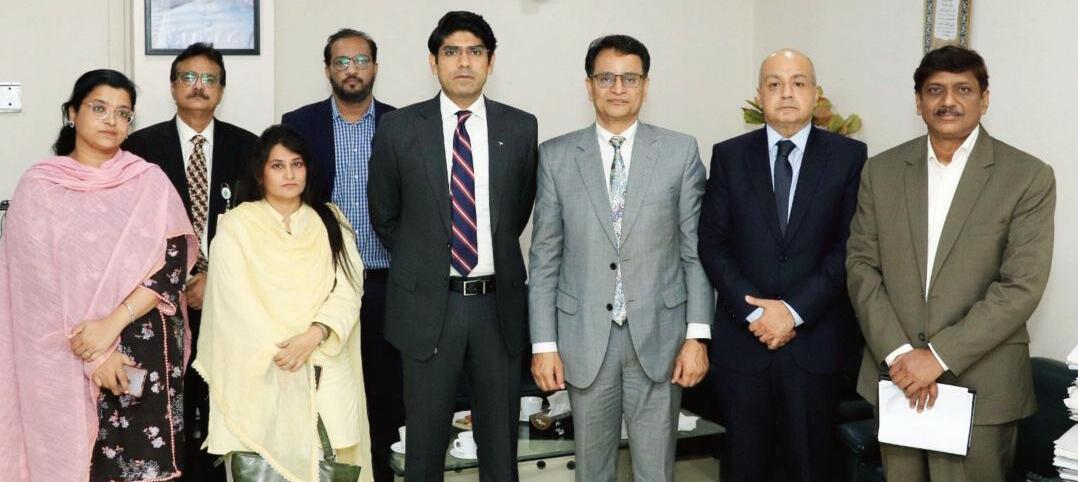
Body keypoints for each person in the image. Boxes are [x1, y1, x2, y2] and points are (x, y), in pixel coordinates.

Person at [847, 45, 1055, 481]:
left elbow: (1021, 286)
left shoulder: (1027, 176)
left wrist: (938, 357)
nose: (948, 101)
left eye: (963, 89)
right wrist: (901, 356)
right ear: (918, 101)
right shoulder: (881, 171)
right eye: (935, 90)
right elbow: (862, 267)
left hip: (983, 386)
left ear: (984, 99)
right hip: (897, 379)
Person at [528, 34, 712, 481]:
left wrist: (697, 336)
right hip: (584, 339)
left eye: (630, 78)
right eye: (606, 78)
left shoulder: (680, 151)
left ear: (645, 86)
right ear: (588, 85)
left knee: (656, 472)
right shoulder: (555, 156)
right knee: (593, 471)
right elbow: (545, 258)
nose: (618, 88)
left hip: (662, 336)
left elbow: (694, 252)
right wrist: (544, 345)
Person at [0, 69, 197, 481]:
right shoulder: (40, 186)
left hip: (142, 350)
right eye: (99, 108)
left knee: (145, 469)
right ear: (72, 113)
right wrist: (97, 353)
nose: (112, 120)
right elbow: (34, 288)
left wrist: (113, 325)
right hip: (66, 354)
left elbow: (174, 262)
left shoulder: (148, 181)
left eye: (124, 113)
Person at [368, 11, 538, 482]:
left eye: (475, 52)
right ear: (433, 61)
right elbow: (384, 213)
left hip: (497, 308)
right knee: (423, 450)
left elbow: (517, 211)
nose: (464, 62)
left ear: (490, 62)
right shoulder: (399, 128)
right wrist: (425, 261)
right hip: (427, 306)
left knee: (500, 450)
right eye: (452, 52)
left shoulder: (521, 128)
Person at [697, 49, 867, 481]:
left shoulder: (849, 157)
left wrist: (792, 311)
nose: (786, 93)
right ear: (759, 95)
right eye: (774, 84)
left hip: (815, 345)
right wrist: (756, 312)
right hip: (743, 345)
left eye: (797, 83)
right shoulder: (729, 156)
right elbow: (713, 243)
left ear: (815, 93)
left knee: (812, 469)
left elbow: (850, 245)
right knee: (743, 469)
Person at [193, 124, 373, 482]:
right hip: (264, 375)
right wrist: (287, 351)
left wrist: (314, 334)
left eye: (297, 164)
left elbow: (349, 290)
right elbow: (234, 305)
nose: (289, 174)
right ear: (260, 173)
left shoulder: (331, 221)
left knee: (331, 465)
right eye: (278, 166)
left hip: (324, 365)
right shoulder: (236, 226)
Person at [123, 41, 257, 479]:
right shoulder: (140, 147)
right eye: (189, 77)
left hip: (227, 300)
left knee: (222, 404)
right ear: (172, 86)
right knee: (167, 405)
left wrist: (214, 278)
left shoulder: (249, 148)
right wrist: (178, 282)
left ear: (221, 89)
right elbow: (130, 231)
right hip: (159, 302)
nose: (199, 86)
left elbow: (257, 228)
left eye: (209, 79)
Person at [281, 29, 401, 481]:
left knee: (387, 397)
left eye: (361, 61)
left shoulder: (402, 124)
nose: (352, 70)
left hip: (388, 283)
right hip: (323, 288)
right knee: (329, 398)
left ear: (375, 67)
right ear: (328, 69)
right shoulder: (299, 124)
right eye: (342, 62)